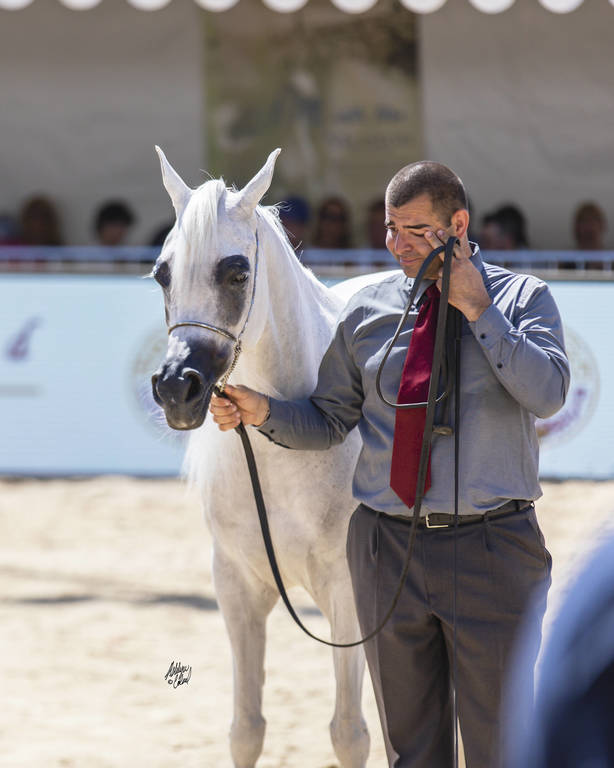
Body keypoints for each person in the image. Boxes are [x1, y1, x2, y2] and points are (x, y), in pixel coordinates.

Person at [210, 161, 569, 767]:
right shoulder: (367, 312)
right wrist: (261, 411)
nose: (397, 244)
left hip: (492, 549)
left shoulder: (524, 298)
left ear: (458, 224)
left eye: (414, 229)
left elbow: (548, 393)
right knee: (412, 750)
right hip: (386, 552)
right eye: (389, 228)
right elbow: (327, 421)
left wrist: (481, 311)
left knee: (498, 746)